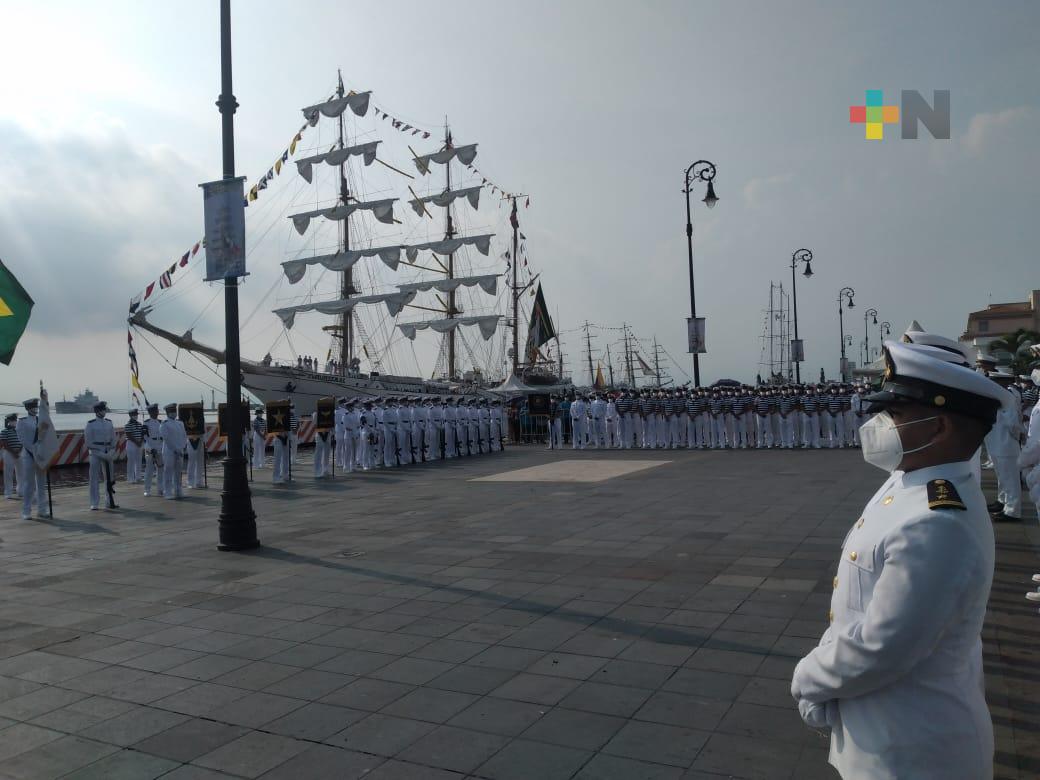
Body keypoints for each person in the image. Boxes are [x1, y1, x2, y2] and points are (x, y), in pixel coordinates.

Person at [792, 340, 1007, 780]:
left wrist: (808, 677)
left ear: (939, 427)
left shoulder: (937, 522)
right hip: (883, 731)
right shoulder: (915, 478)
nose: (880, 424)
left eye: (897, 415)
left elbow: (882, 647)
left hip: (911, 751)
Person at [17, 398, 48, 519]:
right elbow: (22, 439)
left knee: (41, 483)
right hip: (28, 456)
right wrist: (34, 451)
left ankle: (42, 510)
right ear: (28, 408)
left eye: (36, 407)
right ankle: (26, 511)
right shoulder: (22, 422)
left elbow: (45, 437)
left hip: (40, 456)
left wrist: (42, 451)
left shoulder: (41, 420)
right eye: (33, 407)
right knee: (29, 484)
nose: (35, 409)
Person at [84, 401, 117, 510]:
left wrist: (111, 452)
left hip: (108, 452)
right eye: (103, 409)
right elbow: (88, 443)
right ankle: (94, 502)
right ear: (97, 411)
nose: (104, 411)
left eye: (104, 409)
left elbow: (113, 439)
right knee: (94, 478)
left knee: (109, 477)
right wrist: (101, 453)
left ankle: (109, 500)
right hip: (95, 453)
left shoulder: (109, 423)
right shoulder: (90, 424)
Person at [160, 403, 187, 499]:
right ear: (167, 412)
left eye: (174, 410)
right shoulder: (164, 424)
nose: (173, 413)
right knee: (168, 471)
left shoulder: (180, 423)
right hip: (169, 451)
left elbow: (184, 436)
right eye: (171, 411)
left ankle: (178, 490)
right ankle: (167, 492)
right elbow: (166, 439)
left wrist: (183, 447)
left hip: (180, 451)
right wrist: (175, 449)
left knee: (178, 472)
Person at [143, 403, 164, 497]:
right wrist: (151, 449)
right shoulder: (146, 423)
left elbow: (163, 437)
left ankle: (160, 489)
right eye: (154, 411)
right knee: (149, 470)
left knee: (160, 469)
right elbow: (145, 437)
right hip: (150, 447)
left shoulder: (161, 422)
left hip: (160, 446)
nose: (156, 412)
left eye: (157, 410)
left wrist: (161, 448)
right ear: (150, 412)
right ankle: (147, 489)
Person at [1, 413, 21, 500]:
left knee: (21, 473)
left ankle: (21, 490)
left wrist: (19, 450)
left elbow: (23, 441)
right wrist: (13, 452)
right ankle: (8, 493)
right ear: (8, 421)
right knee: (8, 473)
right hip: (9, 453)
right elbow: (4, 443)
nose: (14, 422)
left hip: (20, 452)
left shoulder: (19, 430)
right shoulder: (4, 431)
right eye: (13, 420)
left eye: (15, 420)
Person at [124, 408, 145, 484]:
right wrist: (137, 442)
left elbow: (142, 433)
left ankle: (138, 477)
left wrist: (141, 441)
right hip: (131, 444)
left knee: (139, 461)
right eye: (134, 414)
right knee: (131, 462)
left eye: (136, 414)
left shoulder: (139, 424)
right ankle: (130, 478)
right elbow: (129, 435)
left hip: (139, 443)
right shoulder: (127, 425)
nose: (135, 416)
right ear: (130, 415)